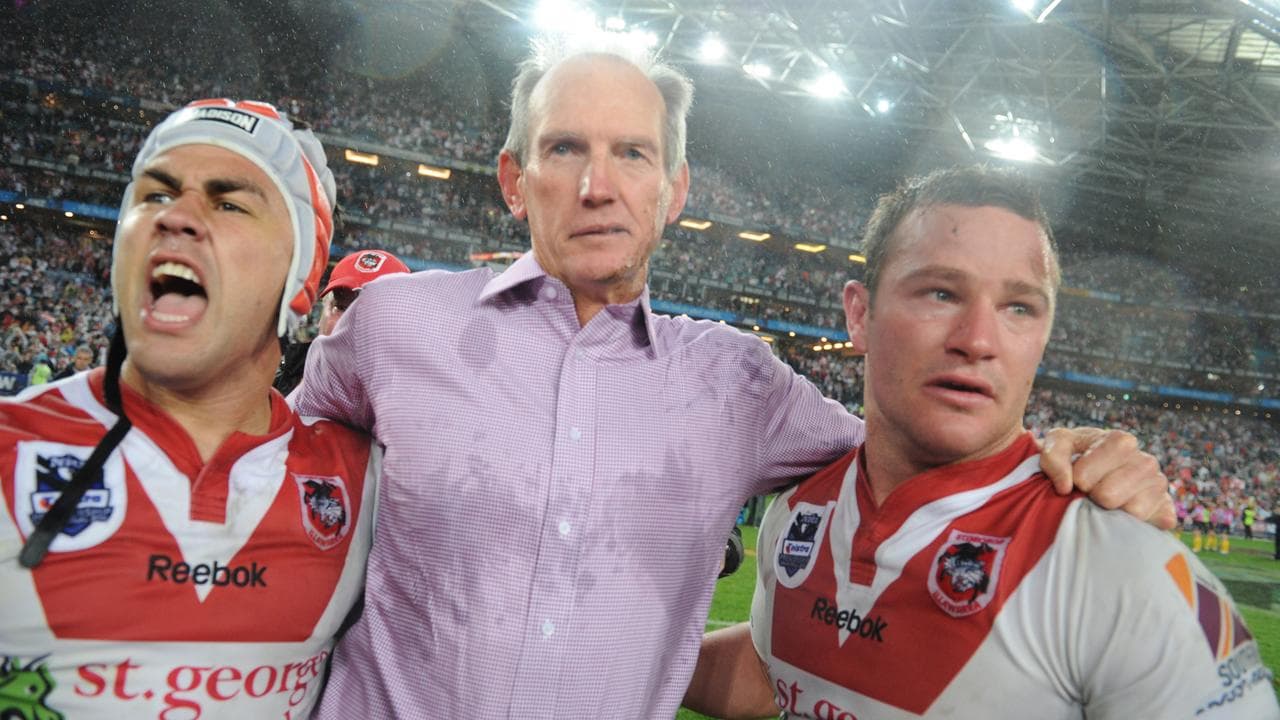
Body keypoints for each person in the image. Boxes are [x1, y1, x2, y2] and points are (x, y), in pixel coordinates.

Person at [297, 38, 1174, 718]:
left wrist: (1067, 462)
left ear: (674, 191)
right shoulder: (396, 326)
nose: (599, 185)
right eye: (564, 148)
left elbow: (913, 449)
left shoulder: (739, 386)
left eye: (633, 154)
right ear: (514, 181)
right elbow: (266, 459)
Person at [682, 166, 1277, 719]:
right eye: (941, 293)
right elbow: (774, 672)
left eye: (1019, 307)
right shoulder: (800, 508)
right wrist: (628, 651)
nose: (978, 339)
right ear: (859, 314)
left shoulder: (1118, 564)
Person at [0, 98, 379, 719]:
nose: (175, 217)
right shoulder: (10, 447)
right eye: (154, 195)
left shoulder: (365, 486)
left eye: (229, 204)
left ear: (303, 274)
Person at [274, 248, 409, 395]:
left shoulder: (407, 403)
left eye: (370, 314)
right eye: (342, 307)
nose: (349, 323)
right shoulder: (272, 374)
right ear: (323, 311)